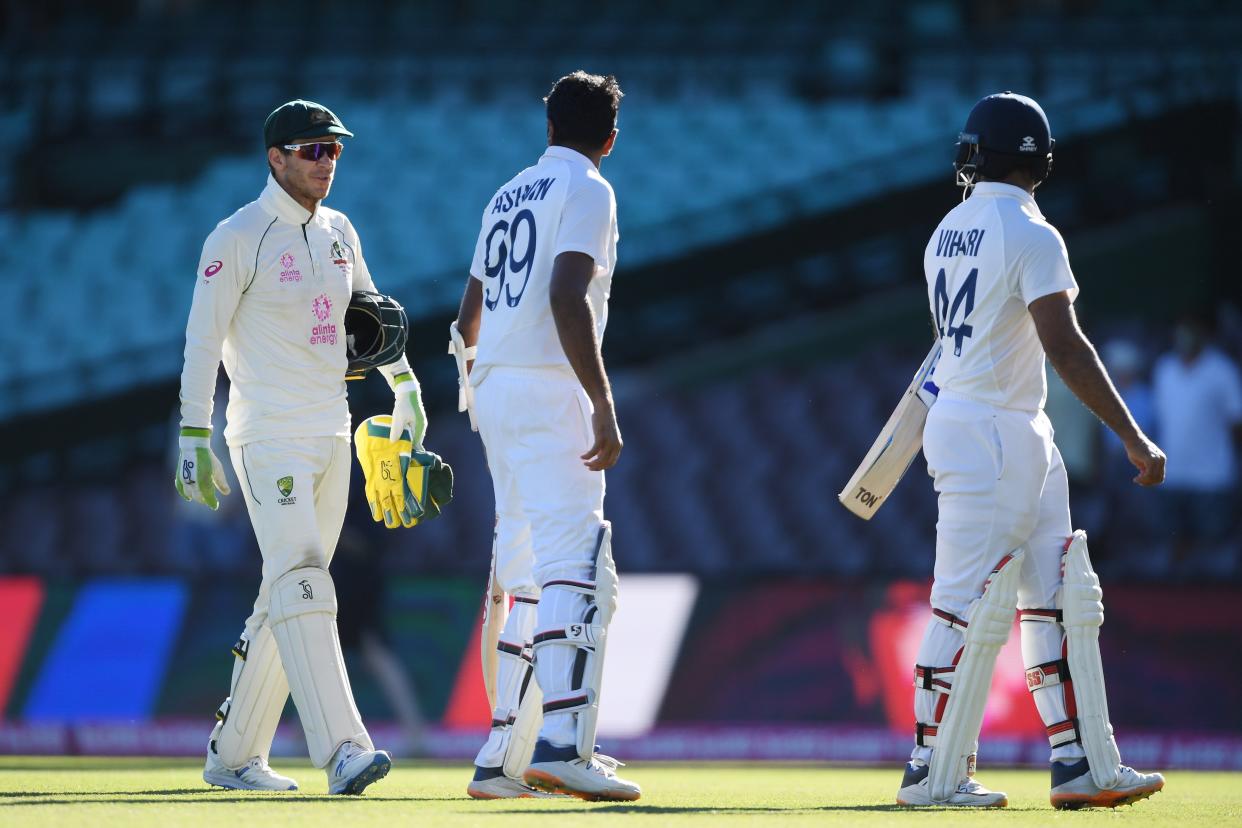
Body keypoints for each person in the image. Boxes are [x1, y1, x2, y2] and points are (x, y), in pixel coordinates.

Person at [896, 92, 1167, 810]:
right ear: (1039, 159)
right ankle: (930, 768)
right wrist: (1132, 436)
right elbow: (1065, 346)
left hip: (1003, 422)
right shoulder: (1032, 234)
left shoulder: (945, 230)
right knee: (963, 602)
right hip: (993, 426)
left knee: (1059, 597)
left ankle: (1077, 762)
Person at [176, 99, 427, 795]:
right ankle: (344, 749)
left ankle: (232, 756)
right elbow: (201, 340)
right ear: (276, 157)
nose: (327, 162)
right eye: (313, 150)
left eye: (335, 151)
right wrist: (194, 431)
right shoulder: (237, 235)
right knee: (308, 581)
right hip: (267, 436)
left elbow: (377, 317)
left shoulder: (340, 232)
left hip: (331, 433)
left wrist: (406, 389)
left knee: (285, 594)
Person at [450, 71, 640, 801]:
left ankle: (503, 754)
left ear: (549, 126)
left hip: (492, 381)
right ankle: (562, 743)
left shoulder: (506, 194)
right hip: (546, 381)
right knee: (577, 558)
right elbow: (567, 294)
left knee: (526, 565)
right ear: (610, 139)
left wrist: (482, 386)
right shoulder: (591, 189)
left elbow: (468, 314)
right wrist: (601, 399)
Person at [1151, 314, 1242, 569]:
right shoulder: (1164, 368)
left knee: (1212, 549)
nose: (1185, 334)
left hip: (1213, 477)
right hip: (1171, 475)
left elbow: (1237, 423)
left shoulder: (1223, 370)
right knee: (1174, 547)